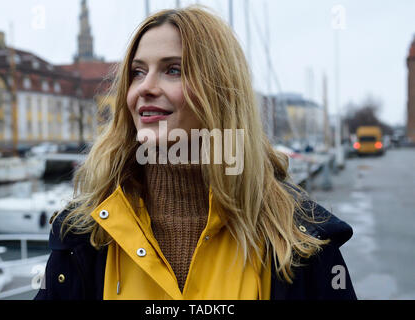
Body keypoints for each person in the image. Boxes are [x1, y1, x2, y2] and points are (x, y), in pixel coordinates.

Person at [35, 6, 356, 300]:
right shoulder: (84, 235)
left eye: (173, 70)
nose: (145, 87)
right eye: (137, 72)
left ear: (221, 90)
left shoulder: (297, 237)